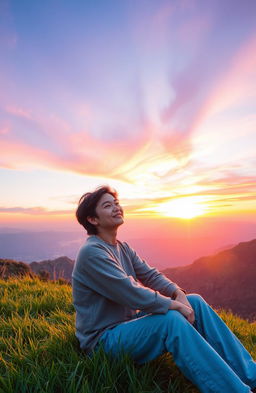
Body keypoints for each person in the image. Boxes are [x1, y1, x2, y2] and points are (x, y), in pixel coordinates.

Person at [72, 185, 256, 393]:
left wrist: (178, 293)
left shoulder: (121, 247)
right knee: (171, 321)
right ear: (92, 220)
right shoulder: (92, 253)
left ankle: (251, 375)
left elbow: (150, 275)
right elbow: (132, 292)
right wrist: (174, 306)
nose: (117, 208)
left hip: (127, 325)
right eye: (107, 206)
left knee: (194, 300)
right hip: (103, 341)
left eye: (116, 203)